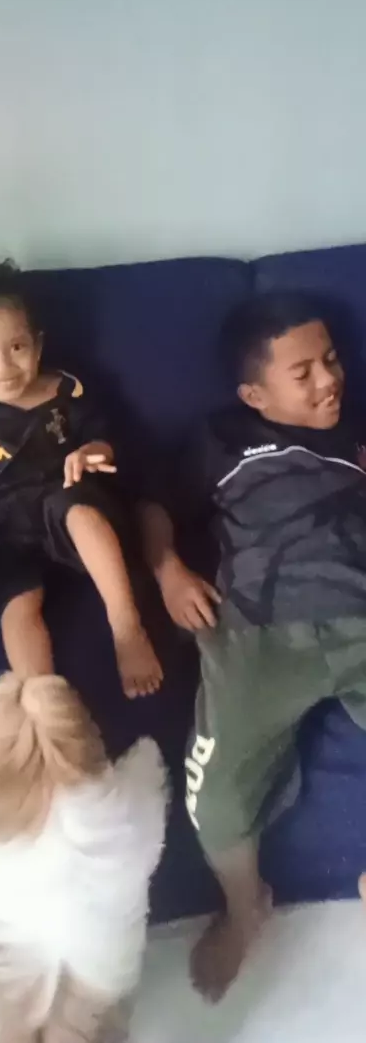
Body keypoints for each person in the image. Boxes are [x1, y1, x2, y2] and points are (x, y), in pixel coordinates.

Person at [141, 291, 366, 1000]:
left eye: (332, 360)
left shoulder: (356, 428)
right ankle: (246, 907)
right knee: (214, 799)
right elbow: (153, 507)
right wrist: (168, 570)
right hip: (257, 634)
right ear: (254, 394)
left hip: (360, 610)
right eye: (303, 372)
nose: (329, 380)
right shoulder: (219, 440)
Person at [0, 260, 162, 699]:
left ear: (38, 344)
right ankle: (42, 697)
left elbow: (107, 440)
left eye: (17, 347)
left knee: (78, 508)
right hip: (3, 529)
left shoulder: (70, 393)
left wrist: (91, 452)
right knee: (18, 604)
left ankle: (126, 627)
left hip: (67, 508)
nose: (3, 366)